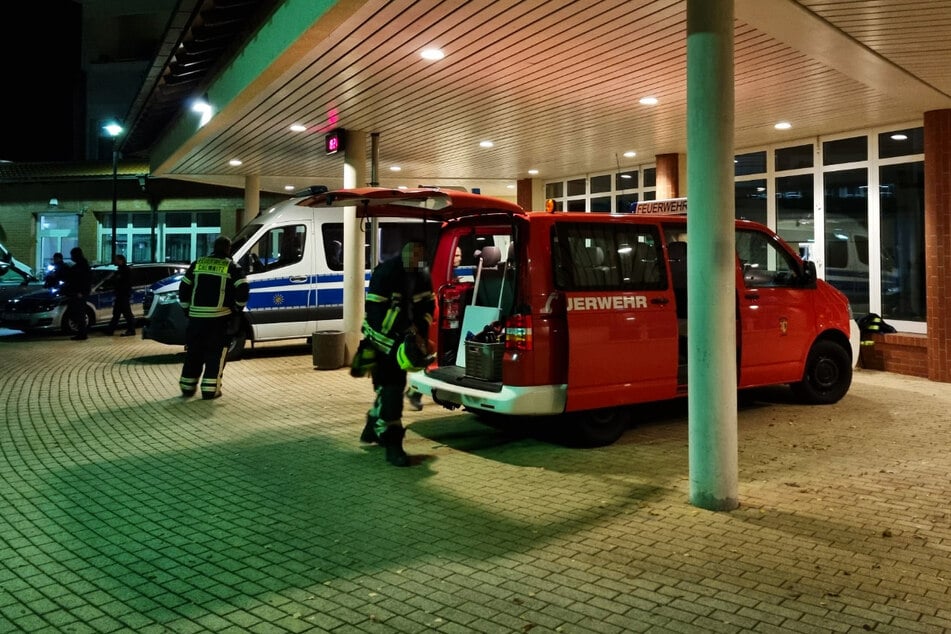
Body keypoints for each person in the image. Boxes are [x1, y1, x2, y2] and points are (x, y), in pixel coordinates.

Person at [353, 241, 435, 466]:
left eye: (421, 256)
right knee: (392, 393)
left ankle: (372, 425)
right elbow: (375, 312)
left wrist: (420, 334)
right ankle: (393, 446)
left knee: (389, 390)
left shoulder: (421, 275)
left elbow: (428, 305)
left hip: (402, 345)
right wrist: (405, 332)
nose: (417, 261)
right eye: (414, 255)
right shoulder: (386, 272)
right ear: (405, 253)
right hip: (380, 343)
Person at [178, 236, 249, 400]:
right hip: (219, 318)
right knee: (215, 354)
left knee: (194, 352)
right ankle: (210, 390)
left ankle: (187, 386)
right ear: (228, 249)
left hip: (196, 319)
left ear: (213, 247)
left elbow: (183, 288)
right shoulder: (232, 267)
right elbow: (243, 290)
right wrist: (237, 309)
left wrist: (186, 309)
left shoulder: (198, 263)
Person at [403, 245, 462, 412]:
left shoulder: (450, 273)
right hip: (430, 322)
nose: (458, 258)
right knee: (430, 357)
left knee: (433, 358)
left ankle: (414, 392)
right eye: (456, 255)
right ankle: (414, 393)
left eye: (460, 255)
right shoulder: (433, 275)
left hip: (438, 321)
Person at [63, 247, 92, 341]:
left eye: (72, 255)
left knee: (79, 313)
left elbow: (84, 280)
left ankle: (82, 333)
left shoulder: (82, 266)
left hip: (79, 294)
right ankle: (81, 332)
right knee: (76, 313)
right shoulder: (80, 266)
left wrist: (81, 292)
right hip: (76, 293)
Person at [105, 254, 136, 336]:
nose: (114, 261)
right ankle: (110, 330)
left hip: (123, 295)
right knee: (117, 313)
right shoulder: (120, 270)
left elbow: (126, 283)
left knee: (126, 313)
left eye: (116, 259)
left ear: (120, 260)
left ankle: (131, 330)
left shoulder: (125, 270)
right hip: (120, 295)